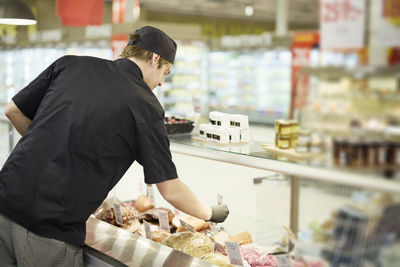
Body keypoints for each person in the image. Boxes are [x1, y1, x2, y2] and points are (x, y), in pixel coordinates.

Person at [0, 26, 229, 267]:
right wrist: (209, 213)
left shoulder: (70, 64)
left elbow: (13, 110)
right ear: (154, 58)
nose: (161, 83)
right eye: (166, 73)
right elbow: (170, 189)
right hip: (47, 228)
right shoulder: (145, 106)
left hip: (5, 201)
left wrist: (52, 145)